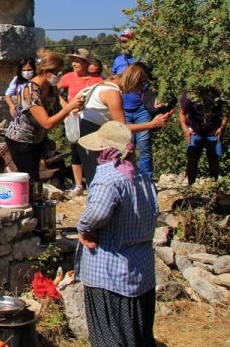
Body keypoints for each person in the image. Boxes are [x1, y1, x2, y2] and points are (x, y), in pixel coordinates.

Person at [76, 121, 158, 347]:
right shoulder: (141, 176)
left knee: (110, 337)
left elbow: (97, 214)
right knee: (138, 335)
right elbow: (153, 212)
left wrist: (83, 228)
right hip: (140, 270)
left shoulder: (108, 178)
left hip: (110, 273)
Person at [75, 63, 173, 185]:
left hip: (89, 130)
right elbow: (121, 129)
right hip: (91, 133)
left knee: (97, 178)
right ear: (135, 81)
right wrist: (152, 124)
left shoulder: (105, 84)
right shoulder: (113, 93)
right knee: (98, 180)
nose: (142, 91)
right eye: (142, 85)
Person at [4, 52, 85, 183]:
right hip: (21, 139)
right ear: (46, 71)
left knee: (35, 177)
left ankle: (36, 200)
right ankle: (30, 202)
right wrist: (69, 109)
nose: (60, 76)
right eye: (57, 72)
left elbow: (59, 108)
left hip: (37, 138)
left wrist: (74, 107)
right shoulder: (30, 91)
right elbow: (46, 123)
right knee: (30, 178)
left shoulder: (51, 87)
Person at [58, 48, 103, 197]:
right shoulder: (68, 77)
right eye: (73, 61)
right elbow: (53, 91)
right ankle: (78, 185)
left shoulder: (96, 80)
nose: (73, 64)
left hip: (91, 119)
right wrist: (66, 106)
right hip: (74, 119)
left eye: (77, 61)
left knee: (94, 150)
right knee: (76, 151)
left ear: (85, 63)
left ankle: (95, 182)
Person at [179, 86, 227, 185]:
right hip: (195, 131)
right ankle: (190, 185)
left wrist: (222, 128)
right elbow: (182, 112)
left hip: (213, 130)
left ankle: (214, 185)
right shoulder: (189, 93)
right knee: (192, 157)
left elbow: (225, 111)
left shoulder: (217, 92)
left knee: (214, 158)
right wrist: (185, 129)